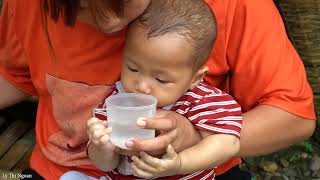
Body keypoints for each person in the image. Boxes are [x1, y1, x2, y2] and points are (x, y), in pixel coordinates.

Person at [0, 0, 316, 179]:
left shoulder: (231, 6)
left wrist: (194, 138)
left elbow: (294, 115)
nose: (107, 20)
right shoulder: (29, 5)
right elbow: (16, 74)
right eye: (80, 4)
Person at [61, 0, 241, 179]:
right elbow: (105, 165)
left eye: (161, 79)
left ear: (195, 78)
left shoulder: (203, 102)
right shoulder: (118, 100)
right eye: (133, 68)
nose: (142, 86)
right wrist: (102, 147)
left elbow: (228, 143)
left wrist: (179, 164)